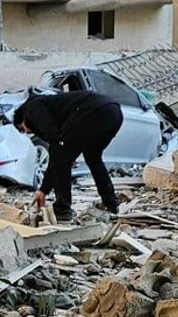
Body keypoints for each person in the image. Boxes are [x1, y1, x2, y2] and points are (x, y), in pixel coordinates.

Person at [12, 90, 124, 222]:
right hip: (114, 112)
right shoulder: (48, 105)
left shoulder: (32, 109)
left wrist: (43, 190)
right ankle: (111, 203)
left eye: (23, 129)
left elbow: (56, 143)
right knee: (93, 158)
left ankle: (62, 210)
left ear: (22, 119)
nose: (28, 131)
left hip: (93, 111)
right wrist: (44, 189)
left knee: (61, 157)